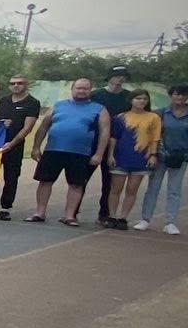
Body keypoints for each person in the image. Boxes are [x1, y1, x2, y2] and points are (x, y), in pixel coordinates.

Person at [29, 78, 112, 227]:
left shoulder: (99, 109)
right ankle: (39, 213)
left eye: (85, 88)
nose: (82, 91)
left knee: (76, 184)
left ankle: (69, 216)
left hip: (81, 152)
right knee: (45, 181)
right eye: (79, 88)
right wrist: (36, 147)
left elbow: (105, 132)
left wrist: (99, 154)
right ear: (72, 89)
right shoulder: (58, 106)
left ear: (90, 91)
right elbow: (43, 127)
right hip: (53, 149)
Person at [138, 85, 188, 234]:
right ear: (171, 95)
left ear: (187, 97)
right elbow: (154, 134)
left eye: (183, 95)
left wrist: (180, 149)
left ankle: (170, 222)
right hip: (160, 155)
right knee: (153, 188)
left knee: (174, 189)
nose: (180, 98)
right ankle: (145, 219)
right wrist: (155, 153)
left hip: (181, 156)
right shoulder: (160, 113)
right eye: (177, 94)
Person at [0, 75, 43, 219]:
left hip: (15, 145)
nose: (16, 86)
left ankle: (6, 207)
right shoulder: (3, 101)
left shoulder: (32, 103)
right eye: (13, 83)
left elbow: (27, 128)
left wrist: (12, 143)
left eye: (19, 83)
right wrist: (0, 124)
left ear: (26, 85)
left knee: (11, 177)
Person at [106, 89, 161, 230]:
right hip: (121, 156)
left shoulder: (153, 117)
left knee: (132, 190)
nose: (141, 101)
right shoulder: (120, 117)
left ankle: (123, 217)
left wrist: (153, 155)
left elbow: (155, 138)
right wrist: (110, 155)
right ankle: (112, 216)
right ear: (131, 100)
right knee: (115, 189)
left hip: (140, 157)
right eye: (138, 98)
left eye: (144, 99)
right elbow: (114, 138)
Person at [92, 66, 136, 226]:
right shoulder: (96, 95)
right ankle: (72, 213)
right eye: (117, 75)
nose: (120, 79)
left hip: (116, 143)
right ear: (109, 77)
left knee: (109, 181)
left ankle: (104, 214)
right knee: (81, 178)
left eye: (123, 76)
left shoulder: (128, 97)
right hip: (94, 141)